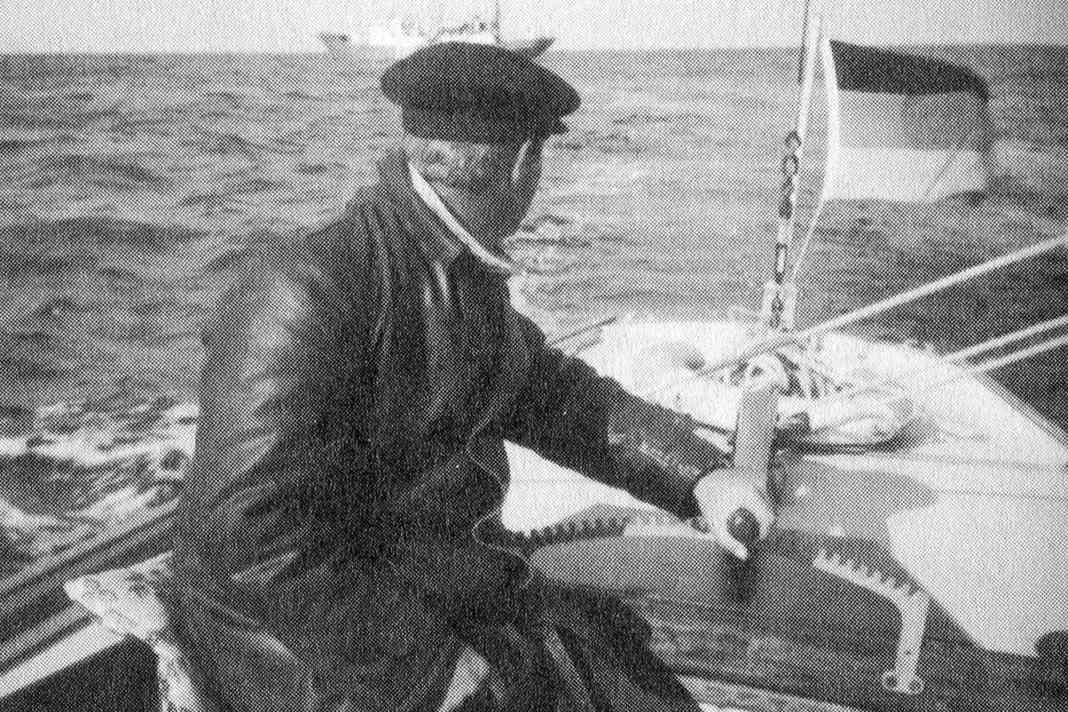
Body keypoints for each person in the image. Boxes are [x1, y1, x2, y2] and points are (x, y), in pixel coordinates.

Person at [172, 42, 774, 712]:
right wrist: (427, 669)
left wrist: (699, 475)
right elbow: (247, 533)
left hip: (425, 593)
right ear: (523, 162)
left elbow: (552, 397)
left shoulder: (456, 269)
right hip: (317, 661)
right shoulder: (307, 287)